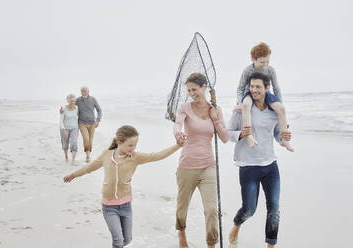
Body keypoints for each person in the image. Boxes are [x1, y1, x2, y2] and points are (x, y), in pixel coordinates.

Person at [63, 125, 184, 248]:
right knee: (118, 240)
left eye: (135, 145)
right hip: (109, 207)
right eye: (130, 145)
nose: (133, 148)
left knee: (127, 240)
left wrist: (178, 146)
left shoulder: (135, 157)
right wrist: (73, 175)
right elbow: (89, 168)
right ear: (119, 143)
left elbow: (157, 156)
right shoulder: (106, 155)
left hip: (126, 205)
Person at [227, 72, 292, 248]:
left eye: (258, 87)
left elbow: (277, 134)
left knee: (274, 209)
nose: (254, 90)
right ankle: (237, 224)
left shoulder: (273, 111)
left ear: (267, 89)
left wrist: (284, 139)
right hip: (249, 166)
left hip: (270, 165)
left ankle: (270, 245)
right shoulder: (241, 109)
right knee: (249, 209)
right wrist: (241, 134)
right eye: (252, 86)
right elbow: (228, 133)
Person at [173, 73, 229, 248]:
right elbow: (177, 125)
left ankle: (211, 244)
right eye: (189, 90)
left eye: (194, 89)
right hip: (187, 165)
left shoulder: (216, 109)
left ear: (204, 87)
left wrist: (215, 119)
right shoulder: (184, 107)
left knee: (212, 210)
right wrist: (178, 135)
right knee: (182, 207)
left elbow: (225, 138)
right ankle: (182, 237)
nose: (192, 93)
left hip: (208, 166)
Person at [237, 42, 294, 152]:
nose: (265, 64)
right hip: (250, 92)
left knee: (281, 109)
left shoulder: (270, 70)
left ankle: (284, 140)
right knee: (246, 105)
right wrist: (239, 102)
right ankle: (249, 137)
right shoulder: (248, 71)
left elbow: (276, 88)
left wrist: (279, 105)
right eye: (262, 62)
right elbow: (240, 88)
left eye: (267, 61)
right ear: (254, 59)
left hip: (266, 93)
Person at [60, 86, 102, 162]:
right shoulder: (78, 100)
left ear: (88, 91)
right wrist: (62, 110)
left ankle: (87, 154)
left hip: (92, 123)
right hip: (82, 123)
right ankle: (88, 157)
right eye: (82, 91)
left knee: (90, 140)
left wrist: (98, 120)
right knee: (86, 138)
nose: (83, 92)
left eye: (85, 91)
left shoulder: (93, 99)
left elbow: (99, 110)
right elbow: (70, 104)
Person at [60, 94, 79, 165]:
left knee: (74, 142)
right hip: (65, 128)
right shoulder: (64, 109)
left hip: (75, 128)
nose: (72, 102)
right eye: (71, 101)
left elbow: (79, 116)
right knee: (65, 143)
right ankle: (66, 156)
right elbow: (61, 121)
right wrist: (64, 130)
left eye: (74, 101)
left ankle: (73, 160)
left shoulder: (77, 108)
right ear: (68, 101)